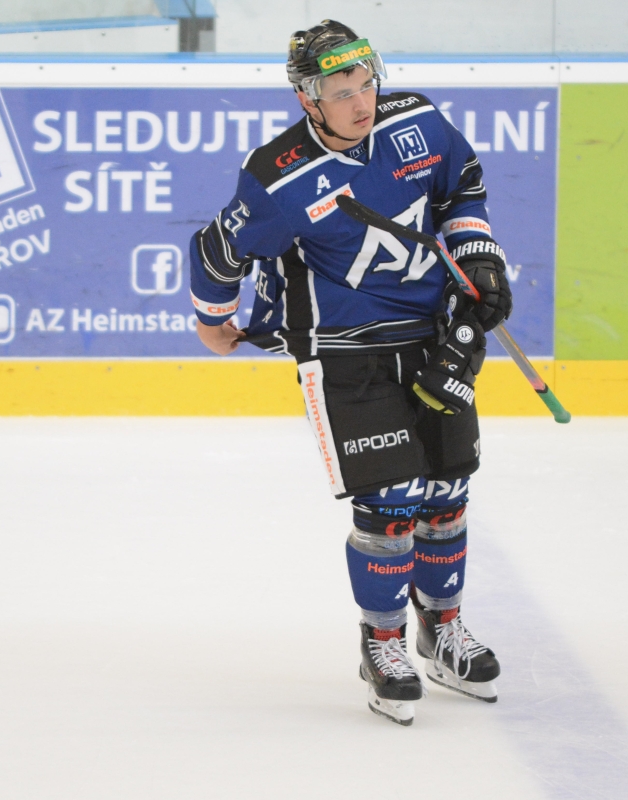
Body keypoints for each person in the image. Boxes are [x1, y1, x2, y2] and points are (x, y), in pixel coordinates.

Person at [188, 20, 513, 726]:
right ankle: (383, 643)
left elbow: (461, 191)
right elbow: (215, 248)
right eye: (341, 92)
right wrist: (213, 320)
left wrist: (480, 258)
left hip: (432, 337)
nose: (362, 101)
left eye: (366, 83)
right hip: (343, 351)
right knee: (390, 504)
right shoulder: (278, 177)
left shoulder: (417, 122)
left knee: (447, 492)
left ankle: (441, 630)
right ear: (308, 100)